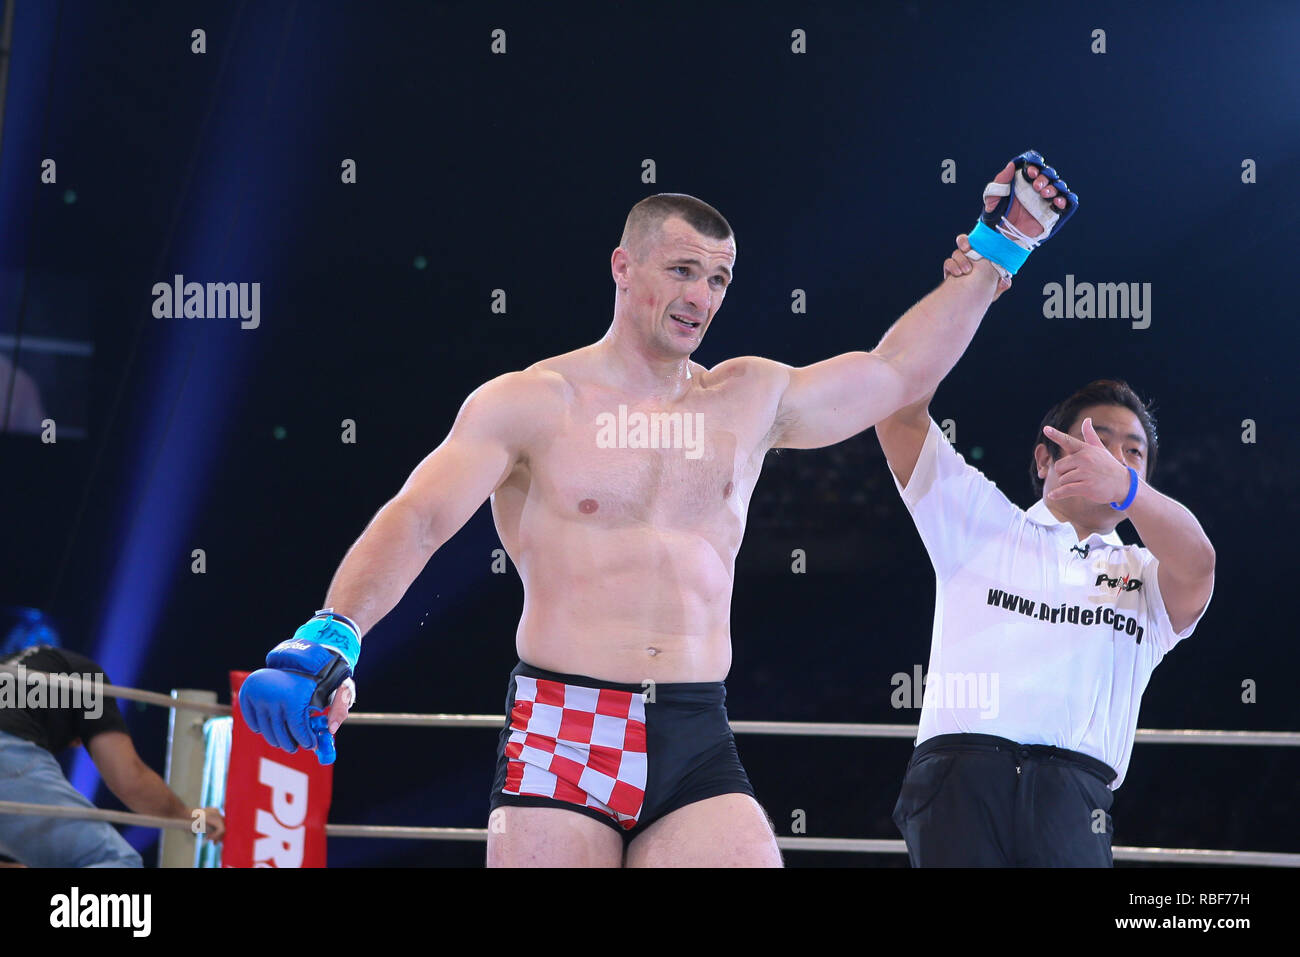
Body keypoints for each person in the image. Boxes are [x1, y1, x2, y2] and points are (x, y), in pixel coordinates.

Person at [241, 153, 1073, 867]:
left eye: (718, 278)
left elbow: (894, 374)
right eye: (682, 270)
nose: (701, 295)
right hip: (564, 721)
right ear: (623, 267)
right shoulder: (533, 401)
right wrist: (335, 630)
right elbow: (419, 516)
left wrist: (999, 251)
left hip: (693, 723)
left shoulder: (746, 398)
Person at [877, 245, 1215, 865]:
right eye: (1094, 440)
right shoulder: (984, 524)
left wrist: (1130, 492)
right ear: (1045, 458)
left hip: (1074, 797)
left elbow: (1199, 564)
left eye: (1132, 453)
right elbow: (896, 404)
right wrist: (974, 283)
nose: (1112, 458)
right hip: (958, 782)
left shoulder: (1144, 576)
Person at [0, 613, 225, 867]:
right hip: (8, 753)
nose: (74, 745)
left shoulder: (10, 670)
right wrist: (189, 817)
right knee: (117, 861)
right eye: (80, 742)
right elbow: (129, 778)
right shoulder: (83, 675)